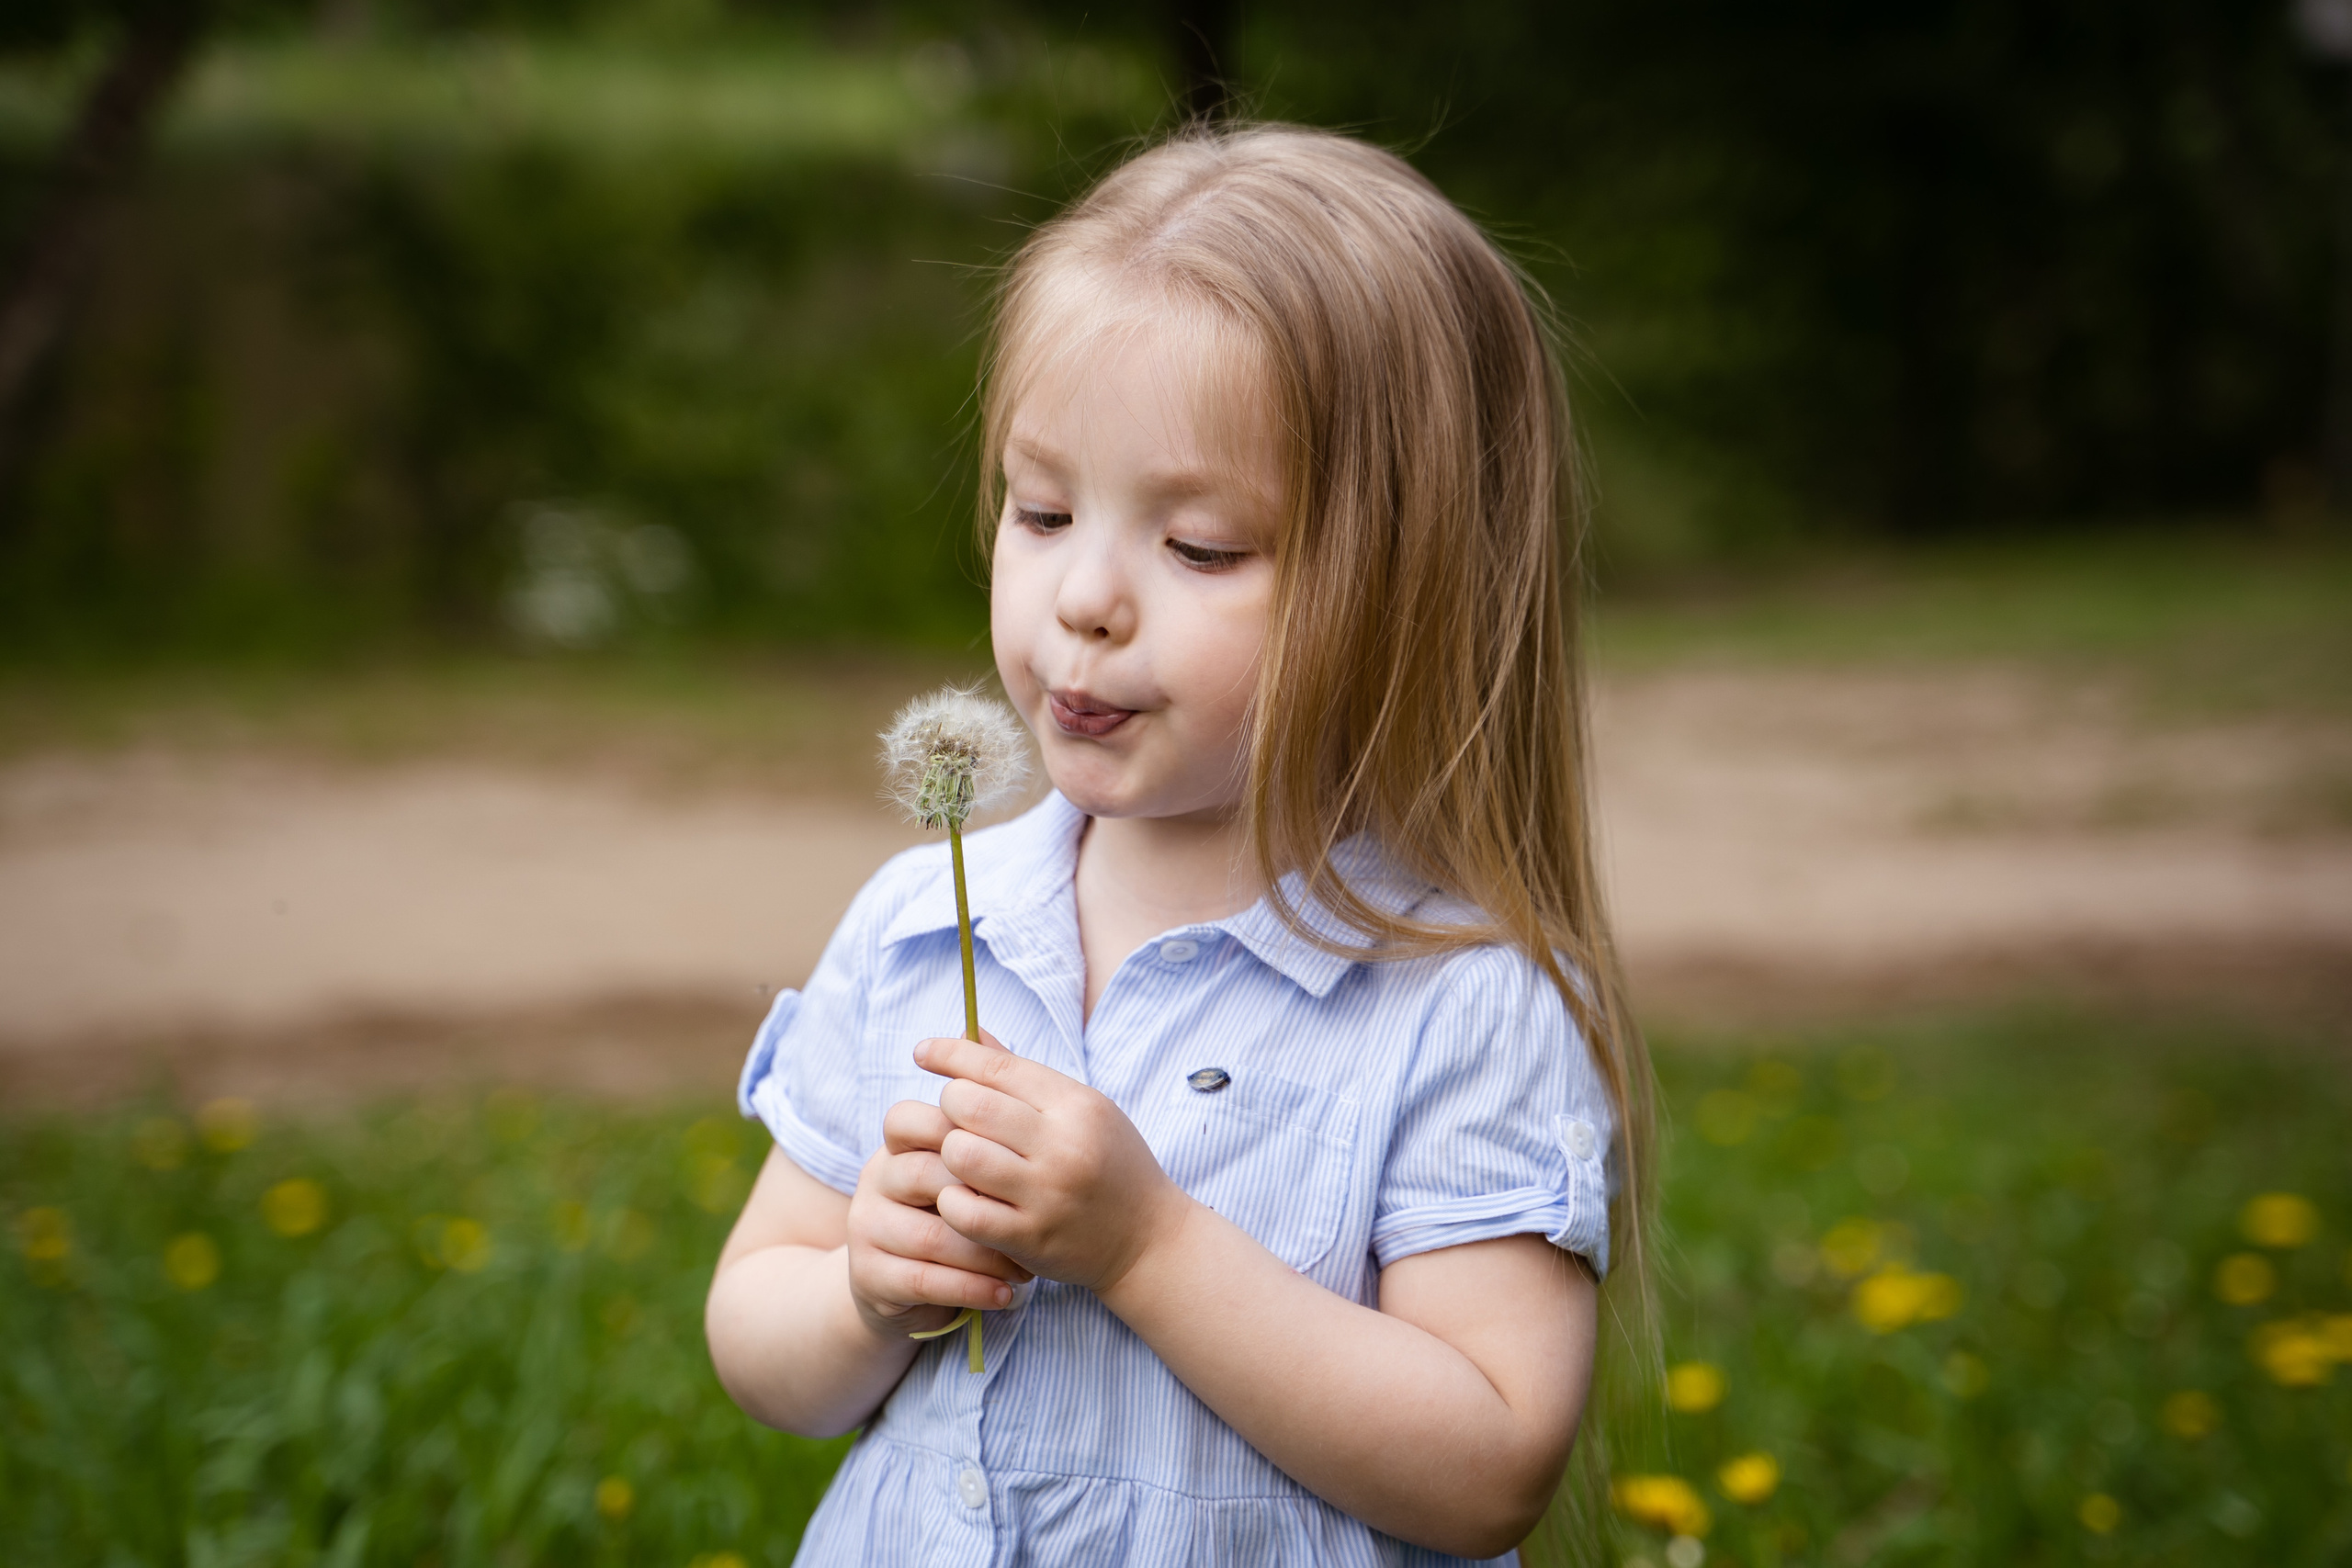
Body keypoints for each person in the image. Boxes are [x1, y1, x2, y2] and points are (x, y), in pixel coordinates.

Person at [706, 122, 1656, 1567]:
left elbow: (1489, 1466)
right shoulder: (923, 925)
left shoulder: (1460, 999)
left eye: (1199, 547)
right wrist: (864, 1290)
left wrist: (1148, 1246)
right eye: (1043, 510)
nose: (1085, 594)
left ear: (1409, 590)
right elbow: (755, 1328)